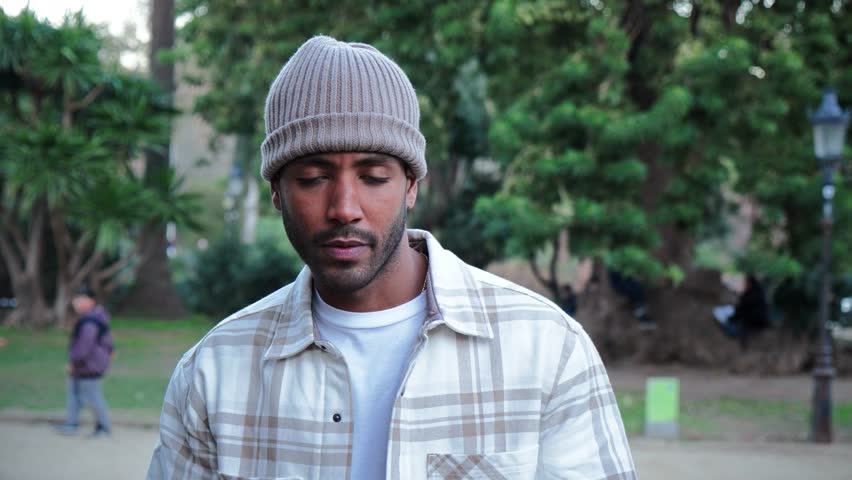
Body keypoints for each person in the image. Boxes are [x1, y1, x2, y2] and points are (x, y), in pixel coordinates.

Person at [148, 36, 636, 480]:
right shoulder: (214, 371)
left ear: (410, 186)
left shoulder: (546, 349)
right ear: (276, 191)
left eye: (374, 176)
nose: (344, 207)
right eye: (314, 177)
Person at [54, 286, 113, 437]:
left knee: (92, 395)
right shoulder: (93, 317)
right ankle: (71, 422)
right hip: (86, 364)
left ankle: (103, 426)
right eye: (76, 300)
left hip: (89, 365)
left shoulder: (90, 321)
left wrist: (74, 361)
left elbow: (85, 345)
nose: (77, 303)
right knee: (74, 391)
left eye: (81, 299)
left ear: (91, 301)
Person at [714, 274, 769, 348]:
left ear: (749, 283)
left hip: (750, 324)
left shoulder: (748, 296)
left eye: (745, 282)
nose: (744, 284)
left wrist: (729, 320)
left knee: (721, 316)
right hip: (761, 322)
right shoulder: (760, 292)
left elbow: (740, 312)